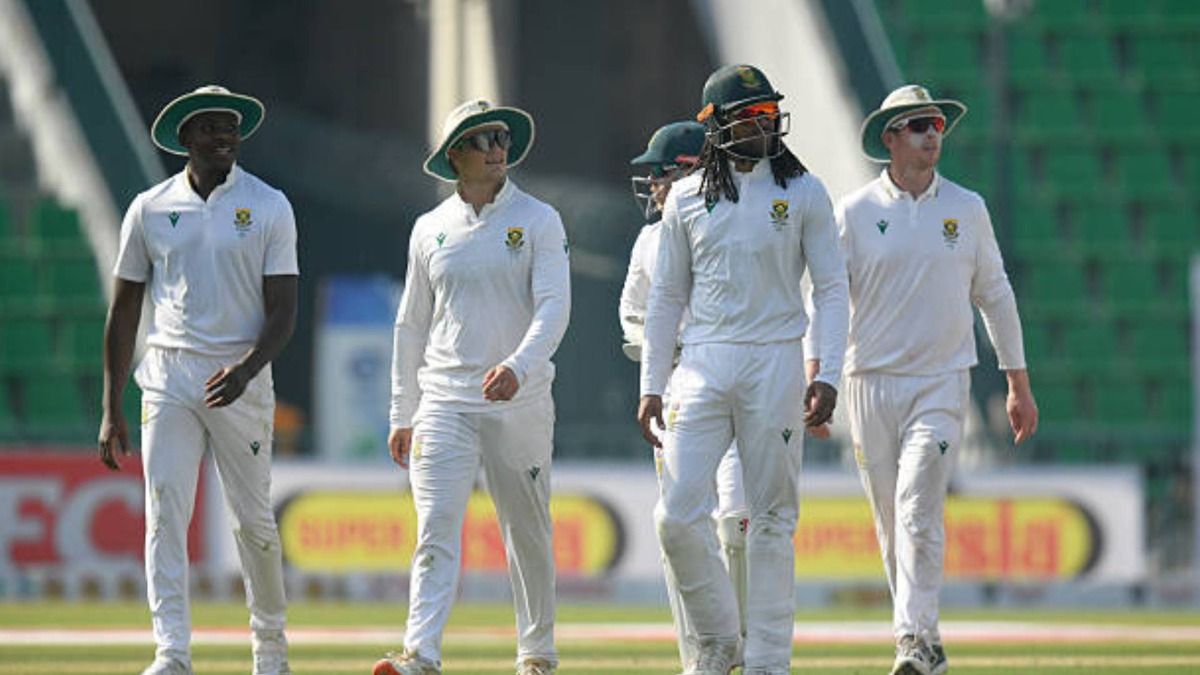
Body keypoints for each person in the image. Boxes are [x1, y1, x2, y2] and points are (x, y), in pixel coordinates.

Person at [637, 64, 849, 675]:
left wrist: (827, 371)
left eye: (769, 114)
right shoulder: (684, 198)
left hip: (776, 359)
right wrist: (652, 383)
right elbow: (666, 298)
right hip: (702, 362)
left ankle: (768, 663)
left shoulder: (804, 191)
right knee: (676, 514)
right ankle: (719, 642)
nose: (765, 126)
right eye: (752, 117)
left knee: (771, 520)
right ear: (717, 126)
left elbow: (831, 289)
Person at [838, 84, 1039, 675]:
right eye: (920, 125)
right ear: (891, 137)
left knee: (918, 502)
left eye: (938, 125)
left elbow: (995, 296)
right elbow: (825, 298)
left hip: (941, 380)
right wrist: (814, 374)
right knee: (890, 521)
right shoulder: (853, 212)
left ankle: (910, 638)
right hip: (869, 378)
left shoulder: (967, 208)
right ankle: (926, 639)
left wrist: (1017, 383)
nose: (933, 134)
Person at [99, 85, 298, 675]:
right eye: (210, 127)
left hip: (241, 372)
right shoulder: (150, 207)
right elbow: (124, 310)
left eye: (231, 126)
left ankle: (269, 651)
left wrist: (247, 370)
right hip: (168, 373)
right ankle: (172, 653)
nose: (224, 136)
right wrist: (112, 406)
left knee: (254, 519)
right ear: (185, 137)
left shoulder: (269, 205)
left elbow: (284, 309)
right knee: (164, 510)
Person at [374, 99, 570, 675]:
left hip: (522, 401)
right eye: (483, 139)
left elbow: (555, 307)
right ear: (454, 153)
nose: (497, 148)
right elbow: (411, 324)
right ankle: (420, 655)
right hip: (444, 401)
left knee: (526, 531)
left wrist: (519, 365)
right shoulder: (429, 229)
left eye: (502, 137)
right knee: (434, 531)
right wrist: (401, 412)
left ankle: (536, 656)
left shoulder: (538, 219)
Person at [619, 120, 749, 669]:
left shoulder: (745, 224)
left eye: (661, 174)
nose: (653, 186)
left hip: (742, 389)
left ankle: (743, 645)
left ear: (695, 170)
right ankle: (699, 656)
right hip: (679, 396)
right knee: (680, 526)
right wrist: (663, 354)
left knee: (738, 522)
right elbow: (631, 314)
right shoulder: (649, 240)